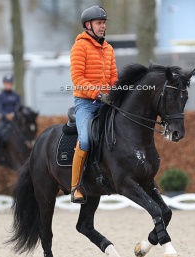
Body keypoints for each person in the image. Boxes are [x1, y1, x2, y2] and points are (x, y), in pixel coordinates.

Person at [70, 6, 118, 203]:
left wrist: (115, 91)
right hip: (86, 103)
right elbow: (77, 78)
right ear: (88, 25)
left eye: (104, 23)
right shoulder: (80, 47)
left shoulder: (108, 48)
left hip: (106, 101)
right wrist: (97, 93)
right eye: (99, 23)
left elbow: (114, 76)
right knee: (87, 140)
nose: (103, 26)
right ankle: (75, 187)